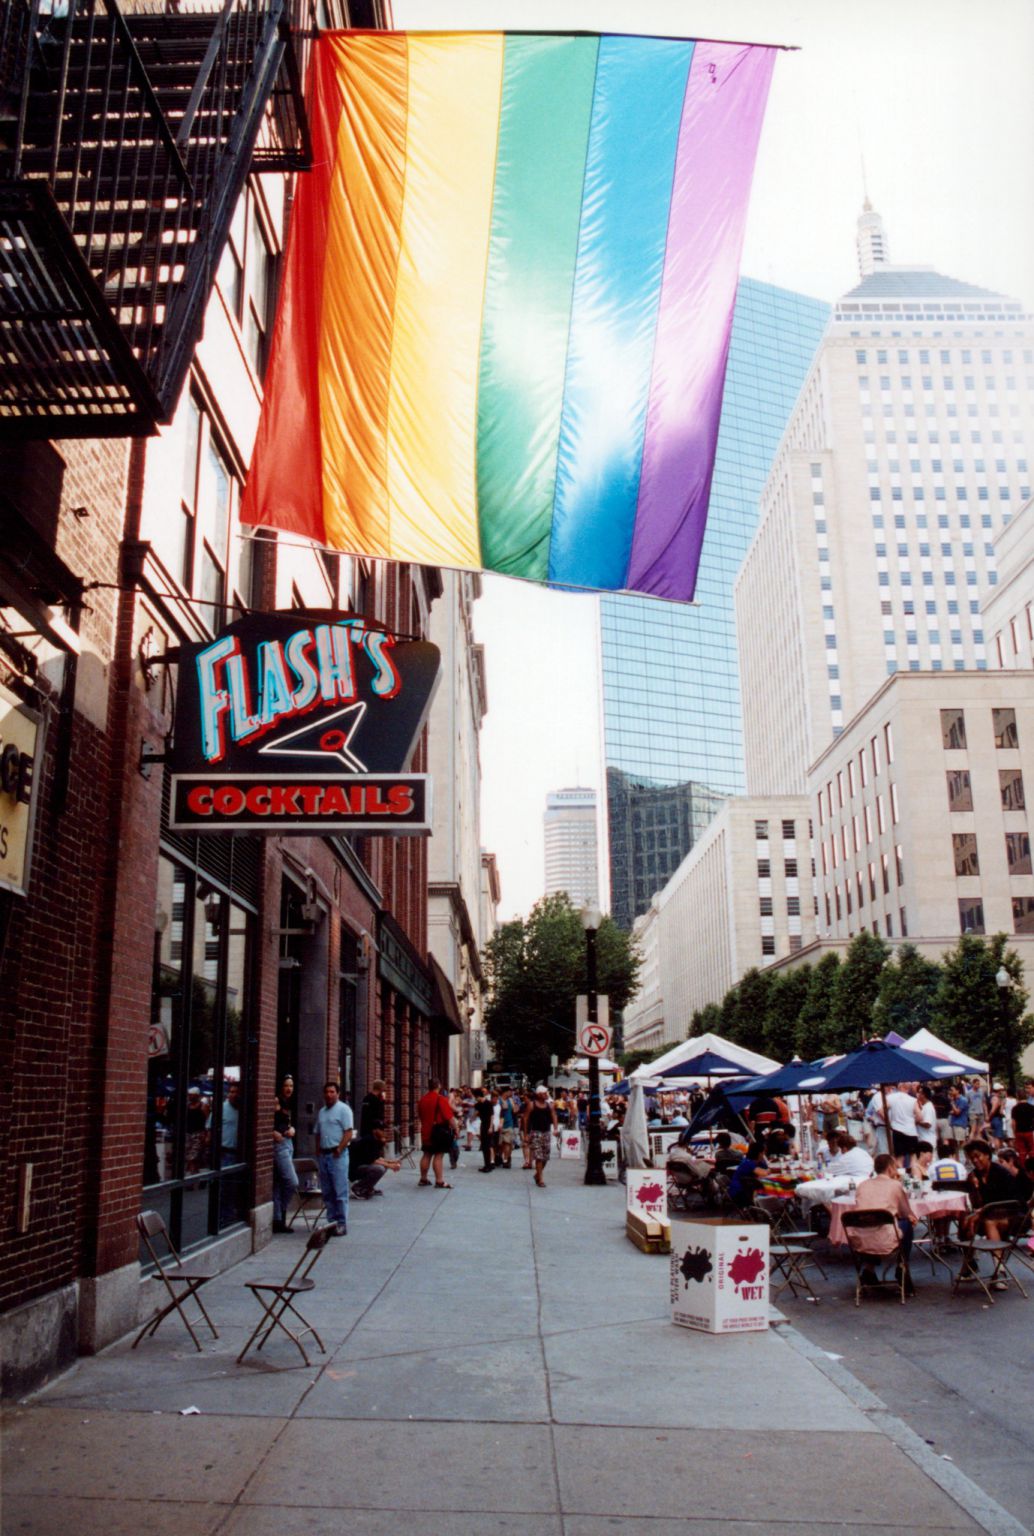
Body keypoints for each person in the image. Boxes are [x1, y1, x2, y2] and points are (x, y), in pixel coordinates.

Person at [850, 1153, 918, 1290]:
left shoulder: (862, 1185)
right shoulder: (895, 1185)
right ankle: (902, 1266)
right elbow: (905, 1212)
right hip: (885, 1238)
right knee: (906, 1223)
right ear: (890, 1168)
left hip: (861, 1240)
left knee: (872, 1226)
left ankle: (869, 1269)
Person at [959, 1140, 1020, 1286]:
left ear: (987, 1155)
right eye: (971, 1158)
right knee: (965, 1220)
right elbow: (976, 1204)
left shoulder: (1001, 1173)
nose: (975, 1160)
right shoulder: (975, 1175)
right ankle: (970, 1263)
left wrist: (982, 1212)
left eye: (978, 1156)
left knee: (988, 1222)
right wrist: (974, 1188)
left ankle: (1000, 1270)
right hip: (988, 1214)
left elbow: (1011, 1202)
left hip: (1011, 1216)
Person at [315, 1080, 353, 1235]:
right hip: (324, 1155)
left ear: (338, 1094)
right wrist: (317, 1150)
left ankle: (341, 1223)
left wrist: (339, 1149)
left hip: (337, 1155)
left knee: (340, 1190)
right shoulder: (322, 1112)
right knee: (327, 1191)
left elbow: (348, 1132)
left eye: (332, 1092)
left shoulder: (344, 1110)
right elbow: (318, 1132)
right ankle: (331, 1222)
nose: (329, 1095)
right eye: (326, 1092)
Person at [417, 1077, 455, 1189]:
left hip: (426, 1130)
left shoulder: (422, 1099)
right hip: (438, 1132)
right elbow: (449, 1117)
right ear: (439, 1086)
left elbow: (420, 1116)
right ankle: (439, 1181)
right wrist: (456, 1128)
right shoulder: (441, 1099)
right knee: (439, 1155)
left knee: (426, 1154)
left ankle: (423, 1179)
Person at [350, 1126, 402, 1199]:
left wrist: (392, 1162)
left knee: (383, 1167)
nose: (384, 1133)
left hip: (363, 1165)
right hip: (355, 1168)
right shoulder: (369, 1140)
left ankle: (368, 1187)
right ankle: (357, 1188)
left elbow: (377, 1158)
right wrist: (391, 1166)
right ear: (375, 1130)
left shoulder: (376, 1140)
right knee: (379, 1169)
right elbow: (372, 1160)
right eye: (381, 1130)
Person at [272, 1091, 298, 1232]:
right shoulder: (269, 1114)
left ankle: (278, 1219)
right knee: (292, 1181)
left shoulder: (285, 1111)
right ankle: (281, 1210)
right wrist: (272, 1133)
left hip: (287, 1144)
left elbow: (289, 1124)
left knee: (278, 1184)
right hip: (279, 1146)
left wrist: (291, 1129)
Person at [525, 1086, 557, 1188]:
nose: (546, 1095)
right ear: (538, 1094)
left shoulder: (549, 1105)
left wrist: (555, 1128)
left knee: (545, 1157)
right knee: (539, 1157)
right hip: (536, 1132)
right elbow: (525, 1119)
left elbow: (554, 1115)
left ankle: (537, 1175)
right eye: (544, 1093)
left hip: (546, 1132)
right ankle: (541, 1179)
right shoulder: (532, 1105)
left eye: (546, 1093)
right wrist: (526, 1134)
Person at [884, 1082, 919, 1169]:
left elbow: (882, 1110)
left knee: (899, 1158)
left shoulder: (891, 1097)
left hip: (897, 1130)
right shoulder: (913, 1100)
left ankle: (901, 1175)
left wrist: (889, 1123)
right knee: (913, 1157)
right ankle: (914, 1175)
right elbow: (920, 1116)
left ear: (899, 1087)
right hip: (911, 1131)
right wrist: (913, 1122)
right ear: (908, 1088)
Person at [727, 1141, 767, 1208]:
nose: (764, 1154)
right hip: (740, 1193)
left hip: (747, 1190)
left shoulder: (756, 1162)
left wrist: (764, 1163)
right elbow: (764, 1173)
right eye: (763, 1153)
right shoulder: (747, 1163)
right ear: (759, 1153)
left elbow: (766, 1169)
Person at [1012, 1082, 1034, 1163]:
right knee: (1032, 1150)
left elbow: (1013, 1123)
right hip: (1029, 1131)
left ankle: (1023, 1166)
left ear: (1018, 1097)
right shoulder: (1031, 1108)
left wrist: (1014, 1133)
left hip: (1019, 1132)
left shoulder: (1015, 1108)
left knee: (1022, 1152)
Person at [475, 1087, 495, 1173]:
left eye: (476, 1097)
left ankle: (488, 1165)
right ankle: (486, 1164)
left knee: (487, 1146)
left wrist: (490, 1127)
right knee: (484, 1146)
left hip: (488, 1125)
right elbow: (476, 1111)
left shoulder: (488, 1103)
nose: (475, 1099)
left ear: (478, 1096)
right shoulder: (479, 1104)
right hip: (483, 1125)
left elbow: (492, 1116)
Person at [914, 1085, 937, 1153]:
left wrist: (917, 1122)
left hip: (927, 1140)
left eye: (919, 1092)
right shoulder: (925, 1107)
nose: (918, 1094)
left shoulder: (928, 1108)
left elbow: (928, 1124)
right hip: (923, 1139)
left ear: (923, 1095)